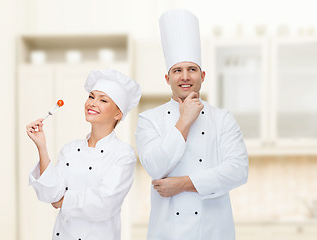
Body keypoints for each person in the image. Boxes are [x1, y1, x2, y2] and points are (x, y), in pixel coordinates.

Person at [135, 9, 249, 240]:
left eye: (192, 69)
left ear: (202, 75)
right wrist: (184, 120)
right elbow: (155, 168)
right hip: (167, 233)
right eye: (177, 70)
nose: (185, 77)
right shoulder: (149, 120)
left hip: (214, 232)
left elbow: (238, 170)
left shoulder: (222, 118)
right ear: (168, 78)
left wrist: (184, 184)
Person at [27, 69, 141, 240]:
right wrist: (41, 147)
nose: (93, 103)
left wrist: (64, 201)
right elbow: (49, 194)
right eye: (91, 96)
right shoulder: (70, 150)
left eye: (103, 100)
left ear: (118, 114)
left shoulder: (123, 154)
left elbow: (105, 203)